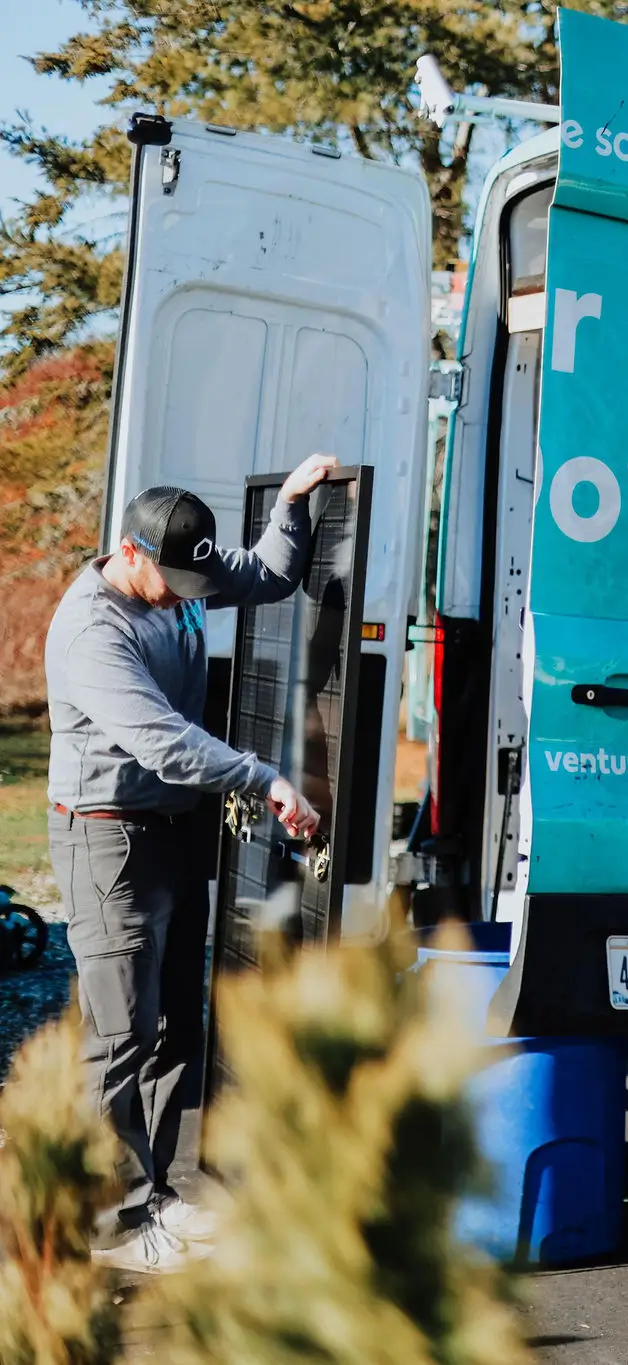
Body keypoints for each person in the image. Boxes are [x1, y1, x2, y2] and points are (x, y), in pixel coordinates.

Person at [45, 454, 334, 1273]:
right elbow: (163, 742)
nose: (183, 594)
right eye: (168, 579)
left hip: (170, 832)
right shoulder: (91, 630)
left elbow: (272, 576)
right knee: (119, 1033)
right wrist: (265, 776)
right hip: (107, 840)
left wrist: (291, 505)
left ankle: (155, 1191)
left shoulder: (184, 577)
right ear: (128, 552)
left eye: (192, 580)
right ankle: (114, 1223)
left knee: (175, 1022)